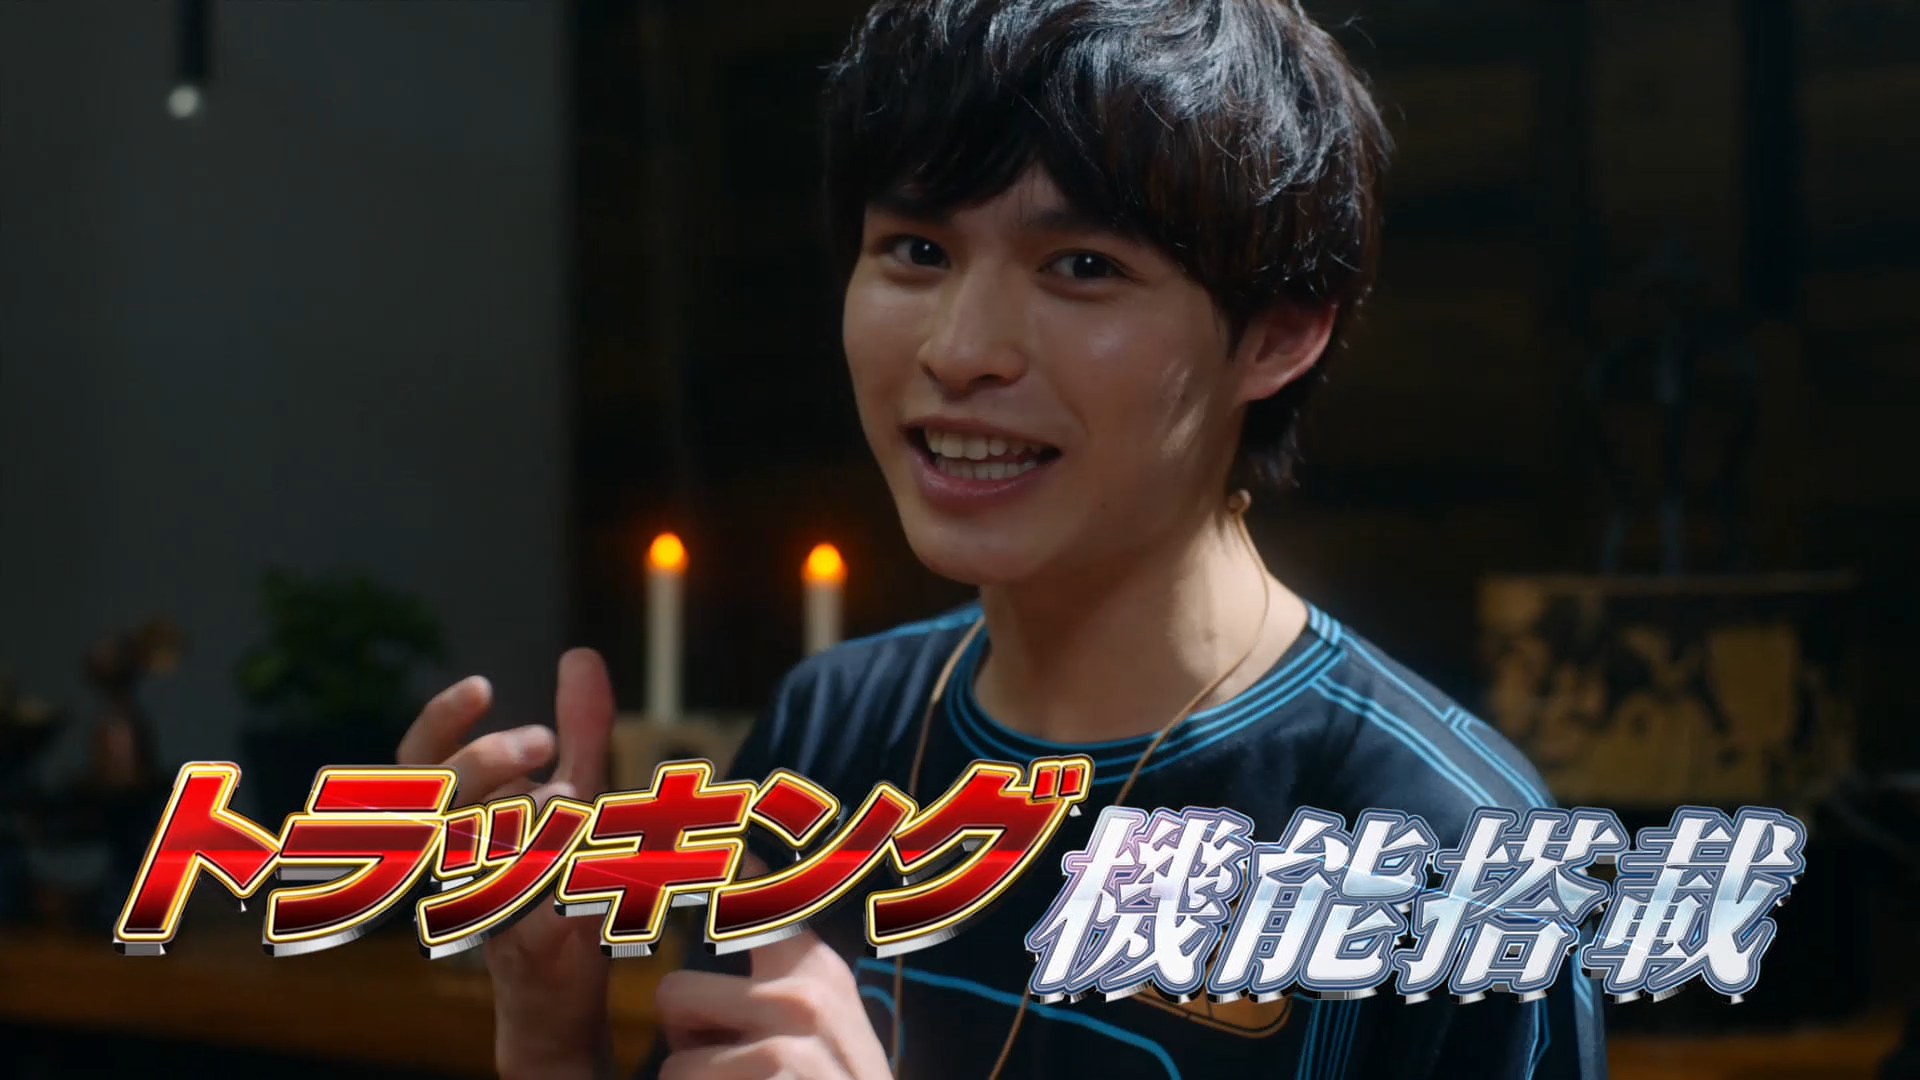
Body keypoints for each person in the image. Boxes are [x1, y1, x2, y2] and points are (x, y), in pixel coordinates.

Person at [397, 0, 1607, 1076]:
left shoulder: (1451, 848)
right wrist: (550, 1031)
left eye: (1082, 266)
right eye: (916, 252)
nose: (961, 349)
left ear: (1280, 332)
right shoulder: (830, 729)